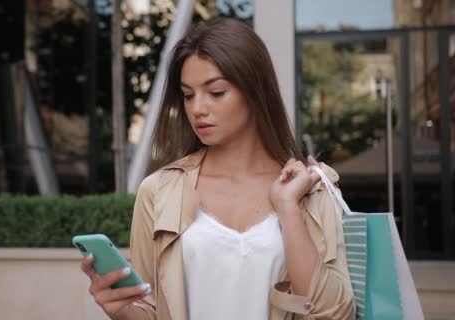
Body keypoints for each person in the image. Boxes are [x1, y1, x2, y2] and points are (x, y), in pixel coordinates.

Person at [80, 17, 355, 320]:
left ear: (255, 91)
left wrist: (288, 207)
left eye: (216, 92)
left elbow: (335, 314)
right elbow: (152, 310)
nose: (197, 108)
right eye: (187, 95)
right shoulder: (158, 191)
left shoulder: (313, 190)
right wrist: (123, 309)